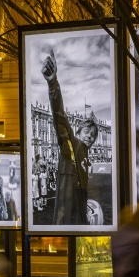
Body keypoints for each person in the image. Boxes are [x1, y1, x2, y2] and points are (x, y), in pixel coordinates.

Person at [41, 50, 99, 226]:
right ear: (78, 133)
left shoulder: (85, 154)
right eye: (87, 132)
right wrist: (53, 84)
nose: (91, 136)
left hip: (78, 216)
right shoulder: (73, 145)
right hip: (66, 219)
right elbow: (61, 119)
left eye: (94, 135)